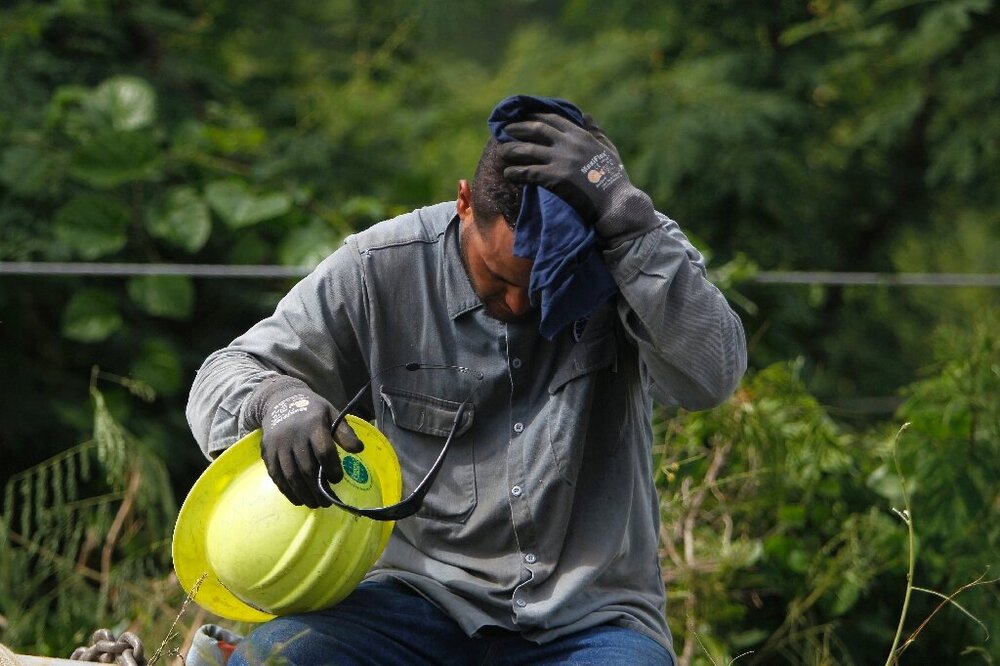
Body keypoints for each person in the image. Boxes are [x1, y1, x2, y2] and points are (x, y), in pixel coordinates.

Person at [186, 97, 747, 665]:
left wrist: (628, 219)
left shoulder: (628, 250)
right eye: (500, 276)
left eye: (547, 283)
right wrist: (276, 400)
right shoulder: (383, 266)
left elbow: (712, 378)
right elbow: (223, 374)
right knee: (273, 659)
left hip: (590, 620)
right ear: (463, 204)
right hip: (414, 600)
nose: (520, 302)